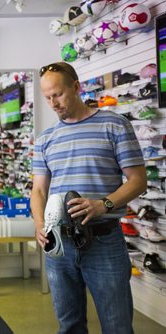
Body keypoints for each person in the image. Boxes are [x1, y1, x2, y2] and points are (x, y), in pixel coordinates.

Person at [31, 62, 147, 333]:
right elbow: (38, 190)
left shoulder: (114, 125)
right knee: (69, 326)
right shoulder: (45, 139)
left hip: (104, 240)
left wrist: (103, 204)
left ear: (76, 87)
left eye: (58, 94)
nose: (53, 103)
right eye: (47, 97)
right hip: (58, 243)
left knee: (117, 326)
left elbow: (138, 181)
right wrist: (39, 223)